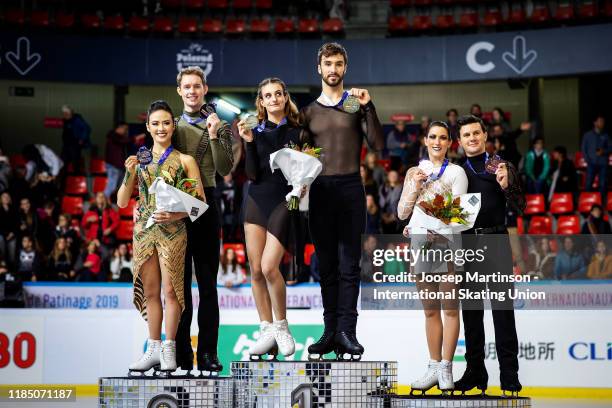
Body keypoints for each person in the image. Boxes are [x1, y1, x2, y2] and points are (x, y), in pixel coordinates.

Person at [301, 42, 384, 359]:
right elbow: (300, 159)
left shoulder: (355, 105)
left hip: (351, 189)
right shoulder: (308, 112)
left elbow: (377, 144)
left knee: (350, 266)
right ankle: (329, 332)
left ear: (345, 68)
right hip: (320, 192)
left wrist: (369, 106)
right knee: (327, 267)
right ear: (319, 69)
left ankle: (348, 332)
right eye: (328, 64)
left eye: (338, 64)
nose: (333, 69)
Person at [118, 100, 206, 374]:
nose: (161, 128)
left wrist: (177, 215)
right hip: (144, 232)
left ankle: (169, 349)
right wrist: (128, 173)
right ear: (147, 127)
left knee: (171, 292)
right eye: (155, 123)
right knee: (152, 293)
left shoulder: (185, 160)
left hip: (173, 233)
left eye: (166, 123)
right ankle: (153, 349)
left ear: (173, 125)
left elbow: (199, 205)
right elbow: (122, 202)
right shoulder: (139, 161)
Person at [456, 115, 525, 395]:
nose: (472, 138)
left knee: (503, 312)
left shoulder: (501, 165)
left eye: (476, 133)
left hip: (496, 241)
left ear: (485, 136)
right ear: (459, 142)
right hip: (467, 244)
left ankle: (509, 376)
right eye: (466, 135)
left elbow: (520, 207)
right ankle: (475, 373)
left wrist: (507, 185)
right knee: (471, 315)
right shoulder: (456, 173)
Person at [397, 120, 468, 393]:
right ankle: (433, 366)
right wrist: (415, 186)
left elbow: (458, 215)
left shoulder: (457, 173)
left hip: (447, 243)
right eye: (432, 137)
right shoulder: (415, 171)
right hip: (420, 244)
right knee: (430, 310)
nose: (437, 142)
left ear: (450, 143)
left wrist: (426, 216)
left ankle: (447, 368)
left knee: (450, 309)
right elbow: (402, 212)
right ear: (425, 141)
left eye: (442, 137)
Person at [172, 66, 234, 373]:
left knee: (208, 285)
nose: (192, 91)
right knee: (179, 286)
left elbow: (224, 168)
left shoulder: (220, 127)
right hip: (178, 205)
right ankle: (183, 354)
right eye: (187, 86)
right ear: (179, 91)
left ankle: (208, 353)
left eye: (197, 86)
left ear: (205, 89)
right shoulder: (169, 126)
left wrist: (213, 133)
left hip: (208, 201)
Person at [237, 77, 300, 358]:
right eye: (267, 96)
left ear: (285, 97)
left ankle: (282, 326)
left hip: (284, 201)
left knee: (269, 266)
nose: (273, 99)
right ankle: (266, 328)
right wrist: (248, 143)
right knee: (255, 269)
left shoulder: (299, 131)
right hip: (255, 201)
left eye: (278, 94)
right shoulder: (255, 131)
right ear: (260, 102)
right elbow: (252, 174)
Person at [82, 192, 119, 259]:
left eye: (102, 196)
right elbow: (83, 225)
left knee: (105, 254)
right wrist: (88, 220)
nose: (100, 198)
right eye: (99, 196)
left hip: (105, 239)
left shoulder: (109, 210)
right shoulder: (91, 210)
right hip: (93, 239)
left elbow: (117, 222)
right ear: (96, 199)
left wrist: (110, 229)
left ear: (105, 199)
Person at [582, 115, 609, 202]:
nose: (602, 123)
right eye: (600, 121)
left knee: (602, 184)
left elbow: (610, 147)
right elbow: (583, 149)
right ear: (595, 123)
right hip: (591, 163)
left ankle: (600, 203)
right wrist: (587, 160)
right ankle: (587, 202)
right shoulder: (587, 135)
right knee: (588, 184)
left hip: (603, 163)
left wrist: (604, 151)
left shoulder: (606, 135)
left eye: (603, 121)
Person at [61, 105, 91, 174]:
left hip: (74, 144)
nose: (64, 115)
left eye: (66, 113)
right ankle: (64, 179)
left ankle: (76, 177)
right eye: (63, 113)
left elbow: (87, 129)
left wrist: (82, 139)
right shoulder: (66, 121)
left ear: (70, 113)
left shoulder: (77, 119)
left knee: (75, 162)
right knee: (63, 162)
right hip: (66, 145)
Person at [104, 122, 131, 198]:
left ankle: (112, 204)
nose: (126, 131)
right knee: (111, 186)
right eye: (125, 129)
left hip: (118, 166)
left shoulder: (116, 137)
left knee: (120, 187)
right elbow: (123, 141)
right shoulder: (114, 136)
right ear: (120, 128)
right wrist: (134, 138)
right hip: (114, 165)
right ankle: (102, 203)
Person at [0, 192, 18, 266]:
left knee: (12, 256)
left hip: (12, 233)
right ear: (1, 199)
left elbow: (17, 223)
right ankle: (2, 262)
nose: (6, 198)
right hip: (1, 234)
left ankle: (12, 269)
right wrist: (6, 234)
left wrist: (12, 233)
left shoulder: (14, 209)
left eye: (8, 196)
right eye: (4, 196)